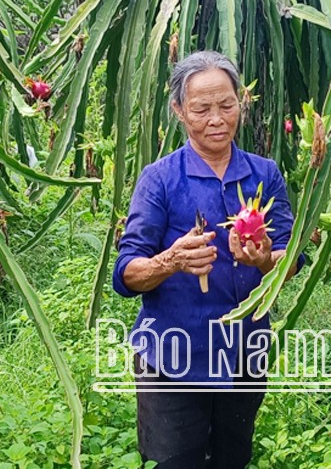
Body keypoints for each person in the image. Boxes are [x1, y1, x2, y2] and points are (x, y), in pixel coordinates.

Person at [111, 50, 303, 468]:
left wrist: (265, 258)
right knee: (174, 461)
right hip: (172, 360)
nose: (216, 119)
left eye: (227, 105)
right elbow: (126, 275)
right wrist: (171, 261)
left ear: (241, 104)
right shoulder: (159, 179)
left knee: (233, 458)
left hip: (242, 356)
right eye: (201, 109)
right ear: (179, 110)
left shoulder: (264, 174)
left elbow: (293, 259)